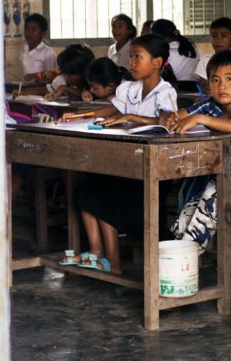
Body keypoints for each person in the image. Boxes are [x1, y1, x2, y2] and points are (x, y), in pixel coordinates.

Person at [74, 34, 178, 274]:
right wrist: (82, 115)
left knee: (103, 197)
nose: (131, 62)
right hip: (124, 164)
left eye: (137, 57)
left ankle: (113, 260)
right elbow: (113, 108)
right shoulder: (128, 88)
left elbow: (165, 121)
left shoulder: (166, 91)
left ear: (156, 62)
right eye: (131, 57)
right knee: (85, 190)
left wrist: (131, 117)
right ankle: (98, 252)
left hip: (149, 172)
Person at [165, 51, 231, 252]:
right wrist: (172, 119)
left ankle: (183, 263)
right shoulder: (209, 105)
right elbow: (178, 116)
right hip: (225, 179)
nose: (222, 86)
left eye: (229, 79)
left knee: (213, 199)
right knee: (188, 211)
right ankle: (178, 260)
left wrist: (201, 119)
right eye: (215, 80)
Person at [195, 17, 231, 91]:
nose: (218, 40)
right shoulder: (206, 60)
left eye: (224, 36)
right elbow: (204, 86)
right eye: (214, 36)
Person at [20, 13, 57, 82]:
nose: (29, 33)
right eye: (27, 29)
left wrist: (35, 75)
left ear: (43, 33)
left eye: (34, 30)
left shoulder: (48, 53)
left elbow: (51, 77)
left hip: (41, 91)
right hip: (26, 89)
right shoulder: (24, 49)